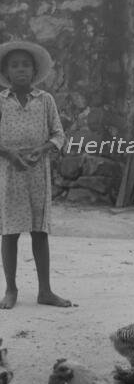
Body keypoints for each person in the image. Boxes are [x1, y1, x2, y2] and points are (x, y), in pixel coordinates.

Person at [0, 40, 71, 309]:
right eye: (14, 65)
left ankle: (45, 291)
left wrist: (40, 151)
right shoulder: (1, 102)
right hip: (9, 174)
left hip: (37, 173)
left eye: (25, 65)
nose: (21, 70)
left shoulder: (45, 100)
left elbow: (58, 135)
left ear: (34, 70)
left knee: (39, 232)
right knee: (9, 233)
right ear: (6, 72)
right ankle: (11, 289)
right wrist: (9, 154)